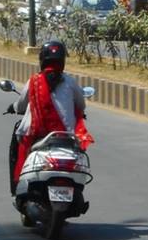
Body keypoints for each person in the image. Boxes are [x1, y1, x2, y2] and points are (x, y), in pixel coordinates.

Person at [9, 40, 91, 194]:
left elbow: (21, 105)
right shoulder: (70, 82)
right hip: (66, 136)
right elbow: (81, 105)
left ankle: (18, 184)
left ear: (41, 60)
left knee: (19, 145)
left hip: (37, 136)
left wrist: (12, 108)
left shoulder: (34, 81)